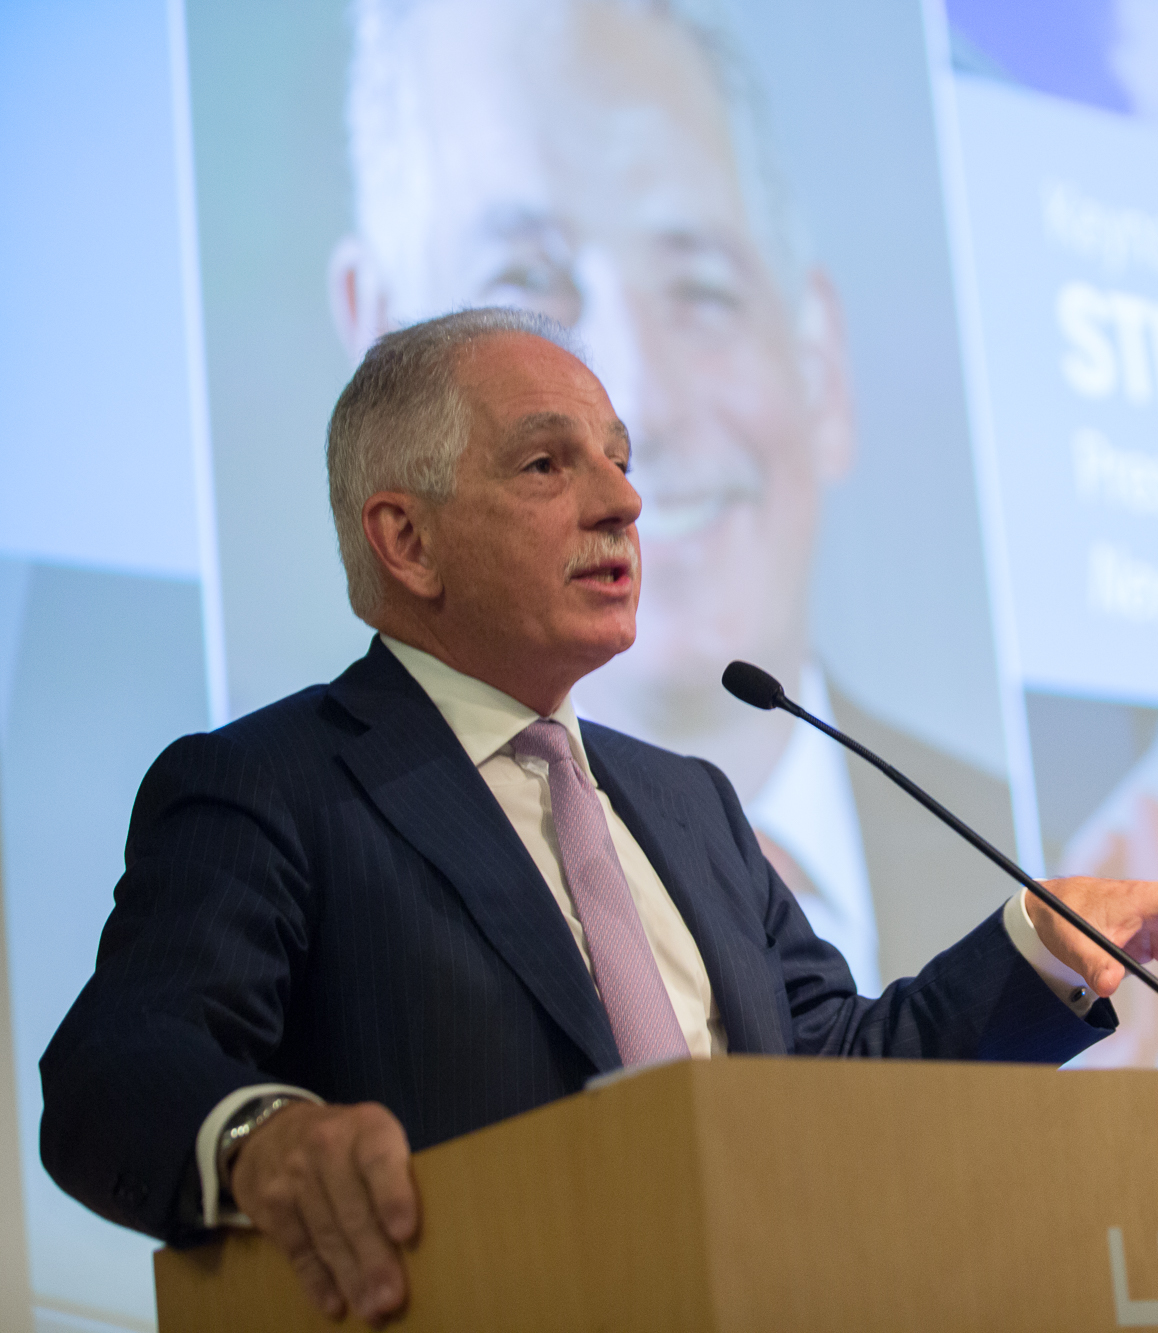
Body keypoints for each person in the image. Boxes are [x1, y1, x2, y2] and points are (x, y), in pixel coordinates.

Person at [40, 309, 1158, 1326]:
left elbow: (828, 1085)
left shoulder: (684, 801)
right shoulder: (273, 784)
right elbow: (116, 1065)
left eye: (621, 459)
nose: (624, 503)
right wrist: (260, 1139)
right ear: (406, 541)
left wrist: (1039, 946)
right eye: (548, 464)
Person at [328, 0, 1005, 994]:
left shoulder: (1002, 848)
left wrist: (1036, 958)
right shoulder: (293, 811)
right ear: (378, 342)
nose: (639, 406)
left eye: (700, 288)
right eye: (527, 287)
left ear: (818, 363)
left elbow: (851, 1053)